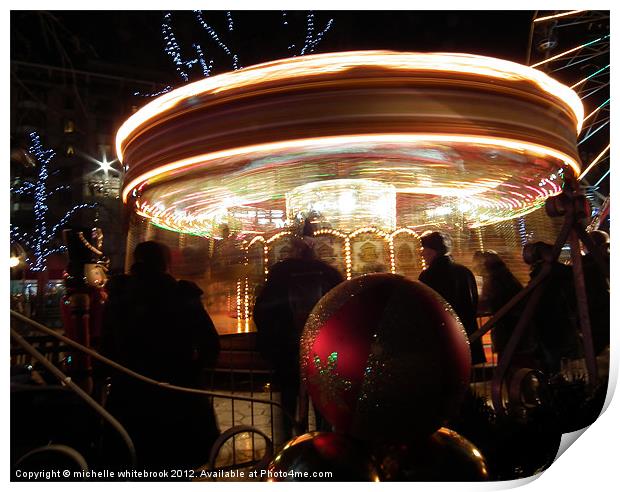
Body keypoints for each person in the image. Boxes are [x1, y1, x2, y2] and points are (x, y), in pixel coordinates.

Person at [101, 241, 220, 472]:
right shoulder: (182, 295)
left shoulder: (119, 298)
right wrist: (194, 371)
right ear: (166, 263)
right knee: (176, 463)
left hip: (129, 393)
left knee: (135, 463)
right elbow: (210, 344)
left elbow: (106, 347)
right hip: (177, 393)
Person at [253, 237, 343, 443]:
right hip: (323, 348)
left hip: (287, 349)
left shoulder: (280, 274)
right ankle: (325, 443)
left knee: (288, 397)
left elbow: (263, 311)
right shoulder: (329, 274)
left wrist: (271, 341)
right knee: (323, 398)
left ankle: (288, 445)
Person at [418, 231, 486, 365]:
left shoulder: (428, 276)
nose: (422, 254)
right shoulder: (465, 272)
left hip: (442, 337)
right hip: (466, 334)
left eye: (424, 250)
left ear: (433, 252)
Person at [523, 241, 580, 374]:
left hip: (552, 326)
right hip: (560, 325)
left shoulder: (545, 275)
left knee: (554, 364)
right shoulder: (559, 273)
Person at [472, 251, 537, 367]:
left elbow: (484, 303)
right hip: (521, 330)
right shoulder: (509, 279)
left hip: (508, 331)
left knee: (510, 366)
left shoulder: (493, 281)